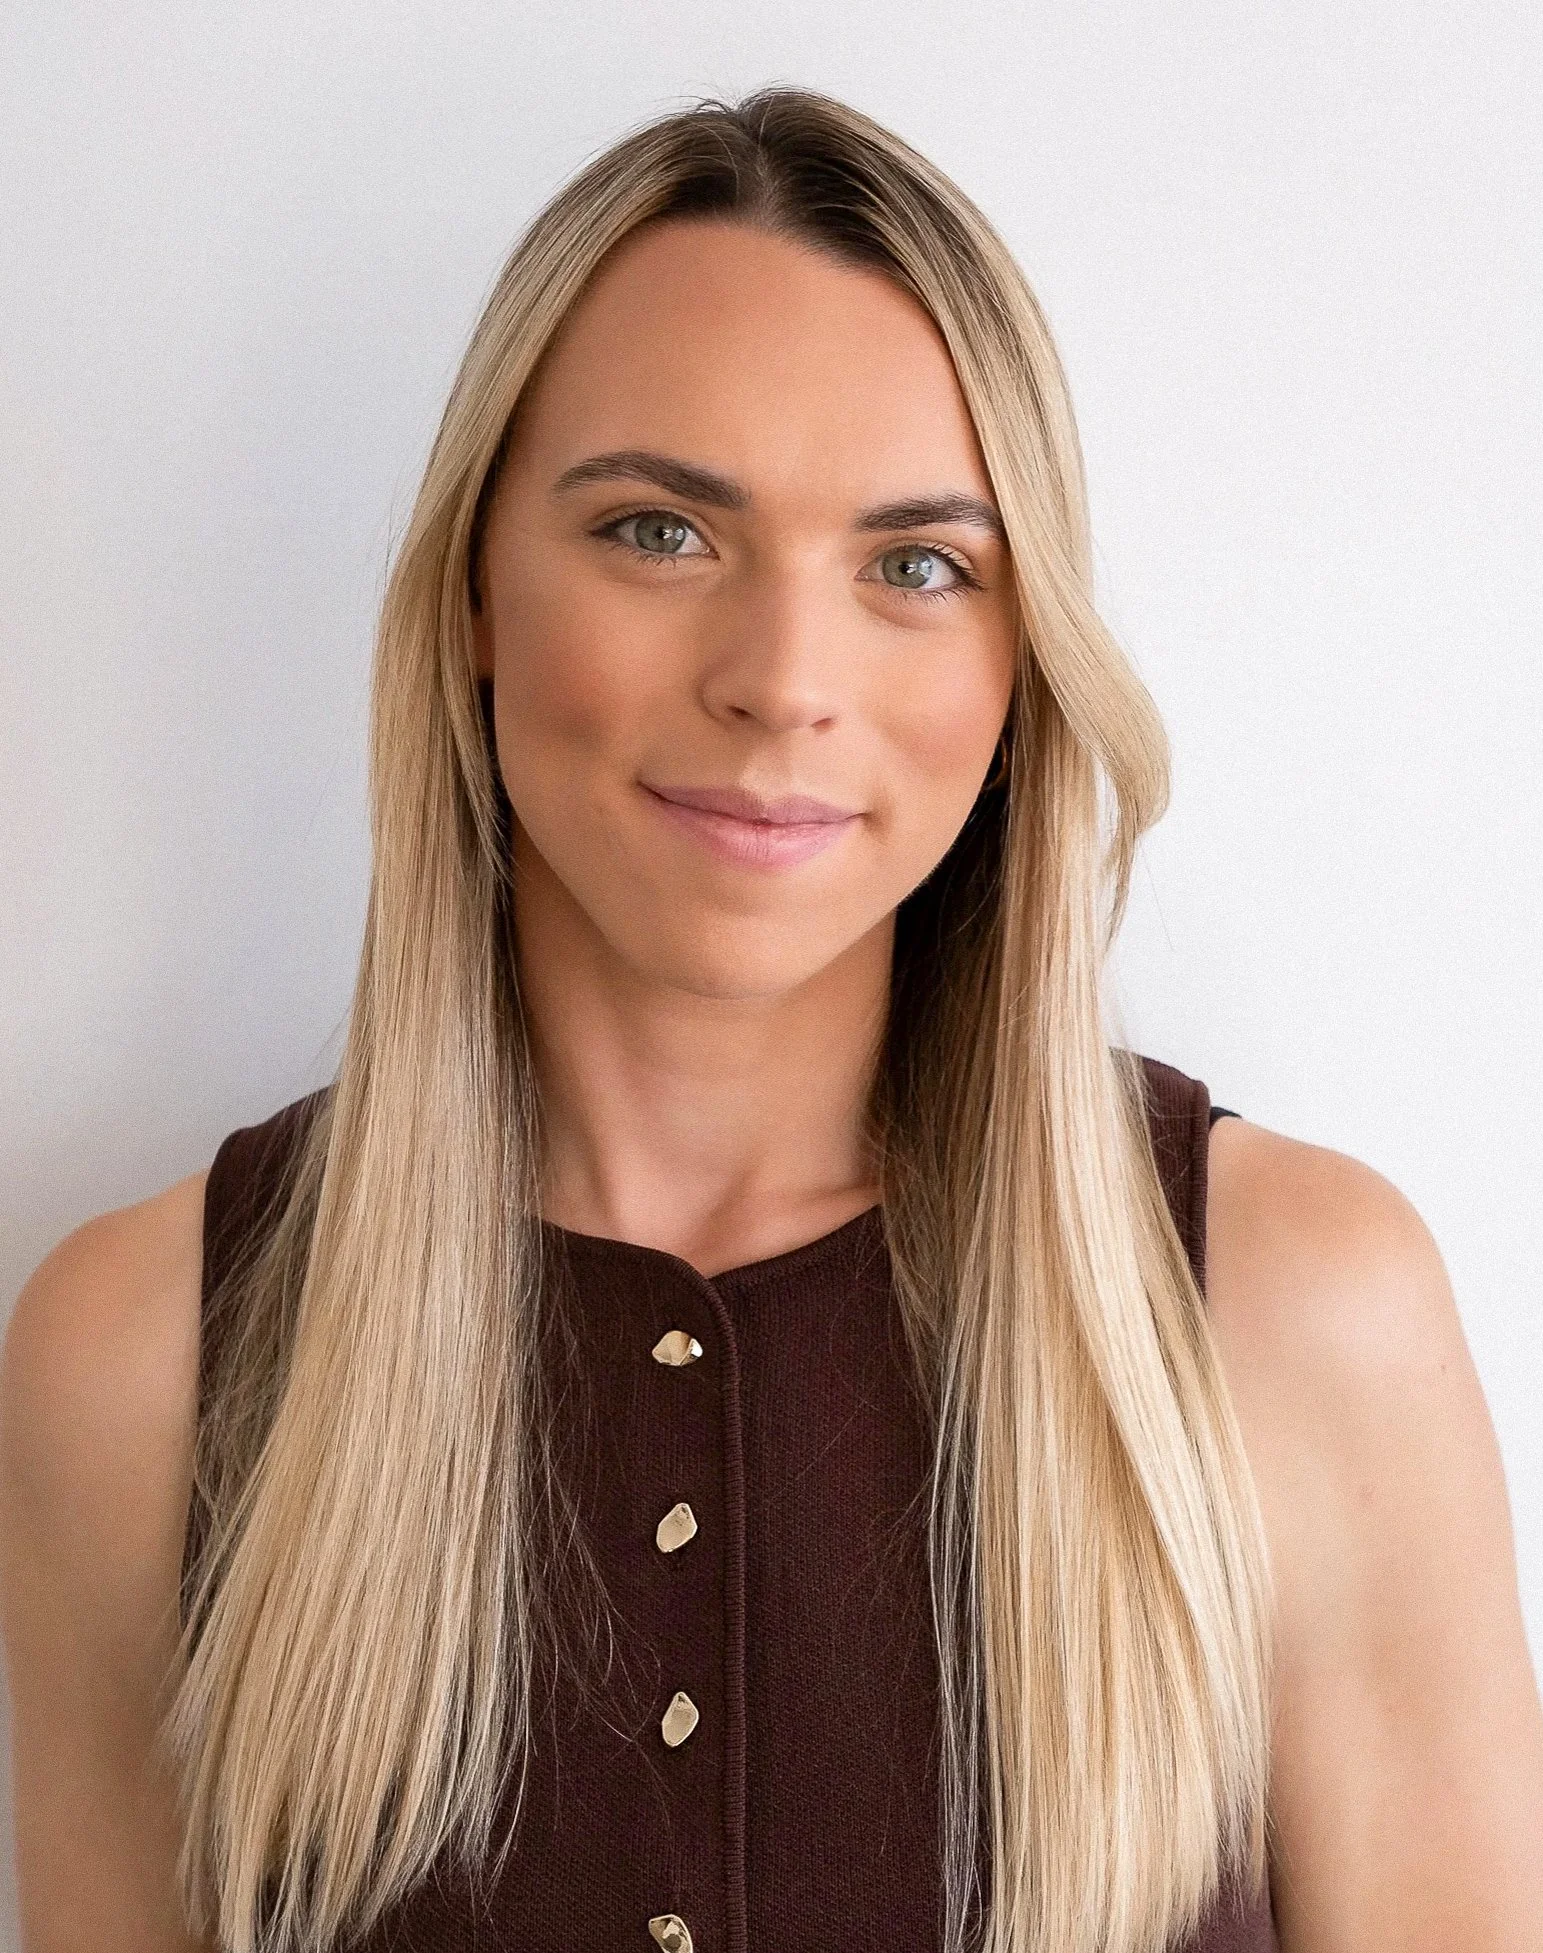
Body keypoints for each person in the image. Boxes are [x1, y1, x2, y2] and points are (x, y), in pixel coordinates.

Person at [3, 85, 1539, 1953]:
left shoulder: (1291, 1314)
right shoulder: (136, 1360)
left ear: (1019, 649)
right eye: (658, 532)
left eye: (915, 568)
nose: (782, 681)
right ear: (479, 589)